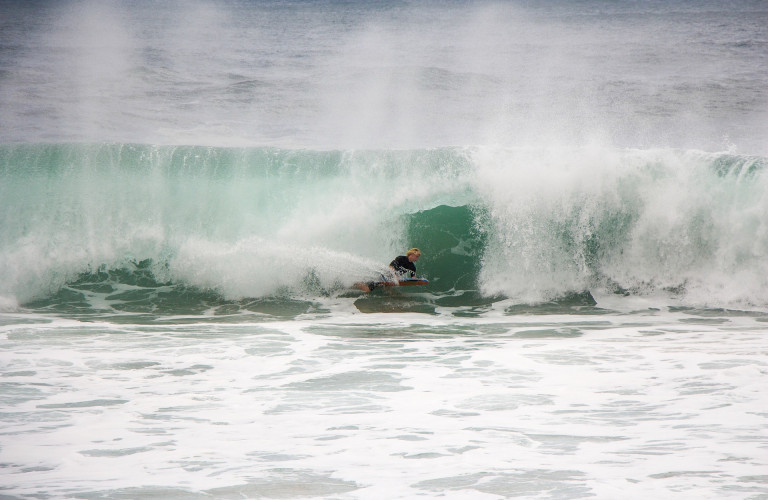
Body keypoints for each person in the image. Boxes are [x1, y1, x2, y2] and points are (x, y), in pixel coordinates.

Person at [355, 248, 422, 293]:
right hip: (383, 275)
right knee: (367, 290)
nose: (417, 258)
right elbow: (391, 267)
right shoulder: (401, 258)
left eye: (418, 257)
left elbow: (413, 277)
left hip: (391, 278)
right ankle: (356, 283)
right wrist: (394, 276)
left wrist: (417, 280)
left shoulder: (412, 267)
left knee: (390, 292)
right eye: (416, 256)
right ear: (411, 255)